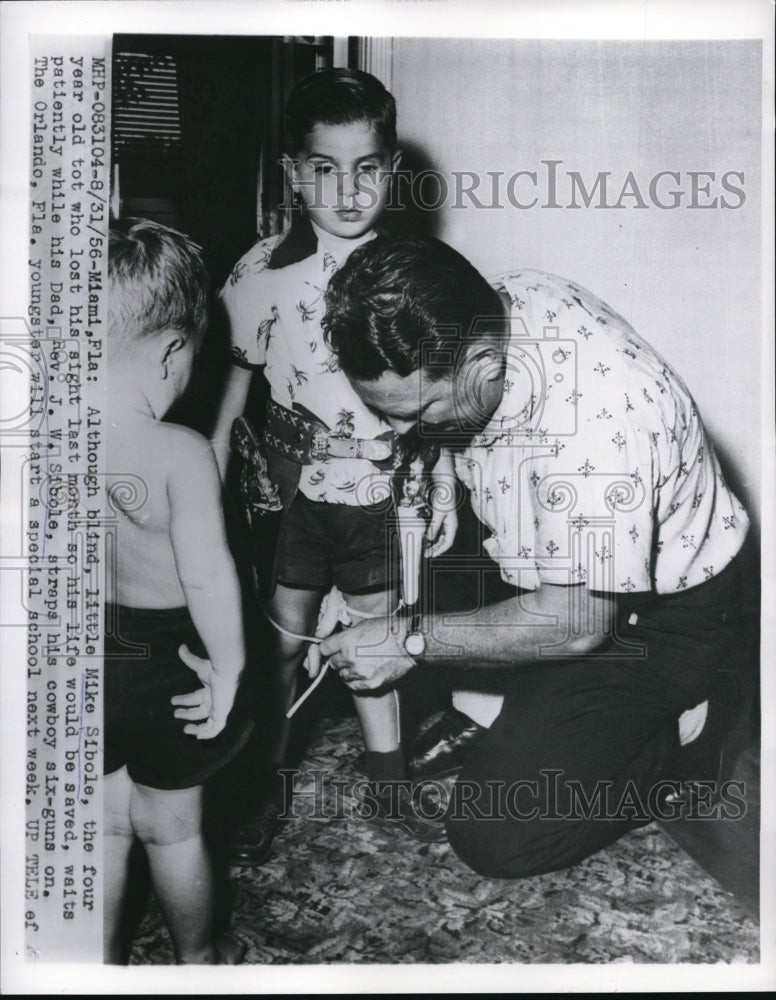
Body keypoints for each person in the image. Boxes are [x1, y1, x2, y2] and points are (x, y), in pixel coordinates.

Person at [318, 233, 756, 878]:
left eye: (419, 414)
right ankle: (509, 710)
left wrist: (405, 641)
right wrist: (439, 466)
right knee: (421, 560)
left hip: (662, 620)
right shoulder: (498, 303)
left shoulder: (597, 436)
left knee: (496, 834)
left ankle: (682, 734)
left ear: (484, 362)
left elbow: (578, 626)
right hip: (554, 558)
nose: (400, 436)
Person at [213, 69, 456, 863]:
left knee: (373, 636)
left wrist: (442, 477)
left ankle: (387, 775)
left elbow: (438, 396)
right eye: (324, 167)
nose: (347, 191)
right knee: (281, 644)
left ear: (391, 169)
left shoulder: (412, 271)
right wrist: (210, 481)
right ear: (293, 171)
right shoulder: (259, 277)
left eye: (367, 168)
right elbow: (235, 393)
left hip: (378, 498)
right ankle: (263, 779)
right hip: (292, 500)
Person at [104, 219, 251, 962]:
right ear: (170, 352)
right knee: (174, 828)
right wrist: (228, 670)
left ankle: (89, 967)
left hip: (84, 656)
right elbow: (206, 573)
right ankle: (197, 963)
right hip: (167, 665)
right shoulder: (180, 452)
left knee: (99, 829)